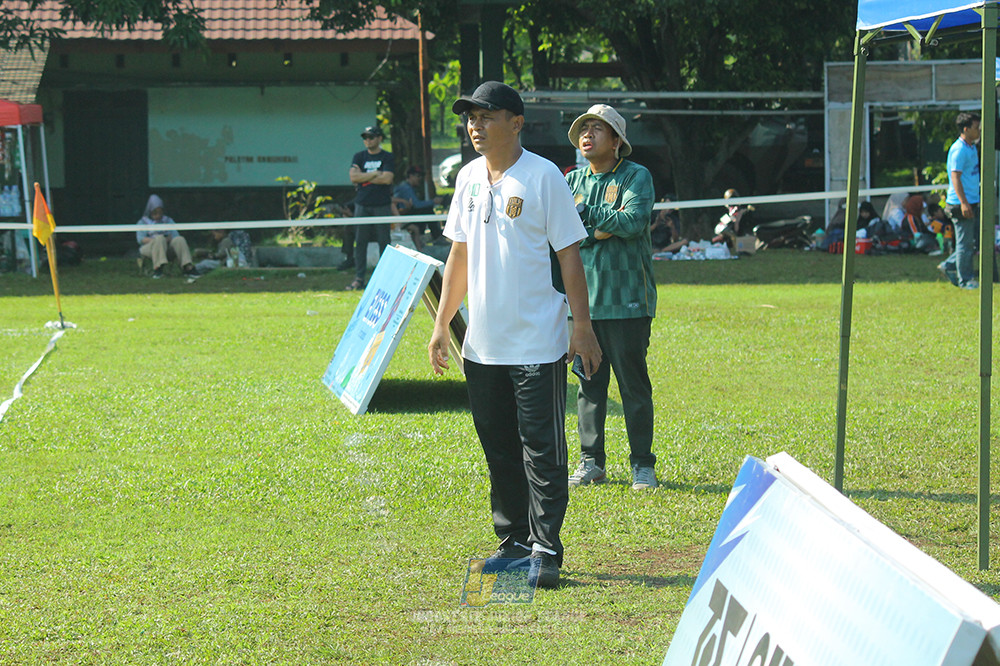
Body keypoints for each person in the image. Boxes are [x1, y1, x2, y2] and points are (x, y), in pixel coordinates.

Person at [427, 81, 602, 588]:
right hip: (483, 344)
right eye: (470, 118)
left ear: (516, 122)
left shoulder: (545, 176)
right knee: (498, 445)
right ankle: (514, 542)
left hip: (537, 341)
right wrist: (443, 324)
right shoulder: (466, 178)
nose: (475, 126)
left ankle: (546, 548)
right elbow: (457, 254)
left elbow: (570, 254)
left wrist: (582, 326)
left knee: (541, 449)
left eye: (486, 116)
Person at [563, 104, 658, 491]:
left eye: (597, 128)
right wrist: (601, 224)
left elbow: (633, 222)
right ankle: (591, 462)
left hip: (628, 298)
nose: (587, 134)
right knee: (588, 384)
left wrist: (587, 215)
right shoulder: (571, 181)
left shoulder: (637, 175)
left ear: (617, 141)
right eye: (583, 128)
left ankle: (642, 465)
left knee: (633, 384)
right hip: (582, 303)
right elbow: (565, 237)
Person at [348, 125, 398, 291]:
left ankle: (384, 278)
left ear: (379, 138)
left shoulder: (387, 157)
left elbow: (387, 179)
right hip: (362, 204)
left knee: (384, 242)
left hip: (382, 205)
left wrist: (364, 177)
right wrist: (376, 173)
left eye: (371, 137)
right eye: (365, 137)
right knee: (360, 242)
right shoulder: (359, 156)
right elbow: (353, 177)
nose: (367, 140)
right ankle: (359, 277)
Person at [938, 112, 981, 288]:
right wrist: (963, 202)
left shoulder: (970, 146)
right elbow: (955, 177)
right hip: (960, 203)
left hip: (971, 201)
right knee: (964, 244)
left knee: (971, 242)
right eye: (976, 128)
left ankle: (948, 265)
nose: (979, 131)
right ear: (966, 129)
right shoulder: (959, 149)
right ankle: (965, 280)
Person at [136, 194, 197, 279]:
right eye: (155, 213)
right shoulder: (142, 222)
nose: (158, 216)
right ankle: (158, 268)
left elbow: (175, 235)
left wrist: (168, 239)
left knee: (179, 240)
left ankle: (188, 267)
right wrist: (157, 240)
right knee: (160, 239)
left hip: (167, 247)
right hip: (149, 248)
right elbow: (140, 239)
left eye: (160, 213)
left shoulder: (168, 220)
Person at [393, 166, 444, 250]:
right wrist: (433, 202)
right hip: (402, 215)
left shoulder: (410, 187)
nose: (420, 179)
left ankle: (431, 238)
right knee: (427, 210)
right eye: (418, 176)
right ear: (411, 176)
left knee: (425, 210)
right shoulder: (406, 187)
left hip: (406, 214)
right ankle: (437, 237)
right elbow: (416, 205)